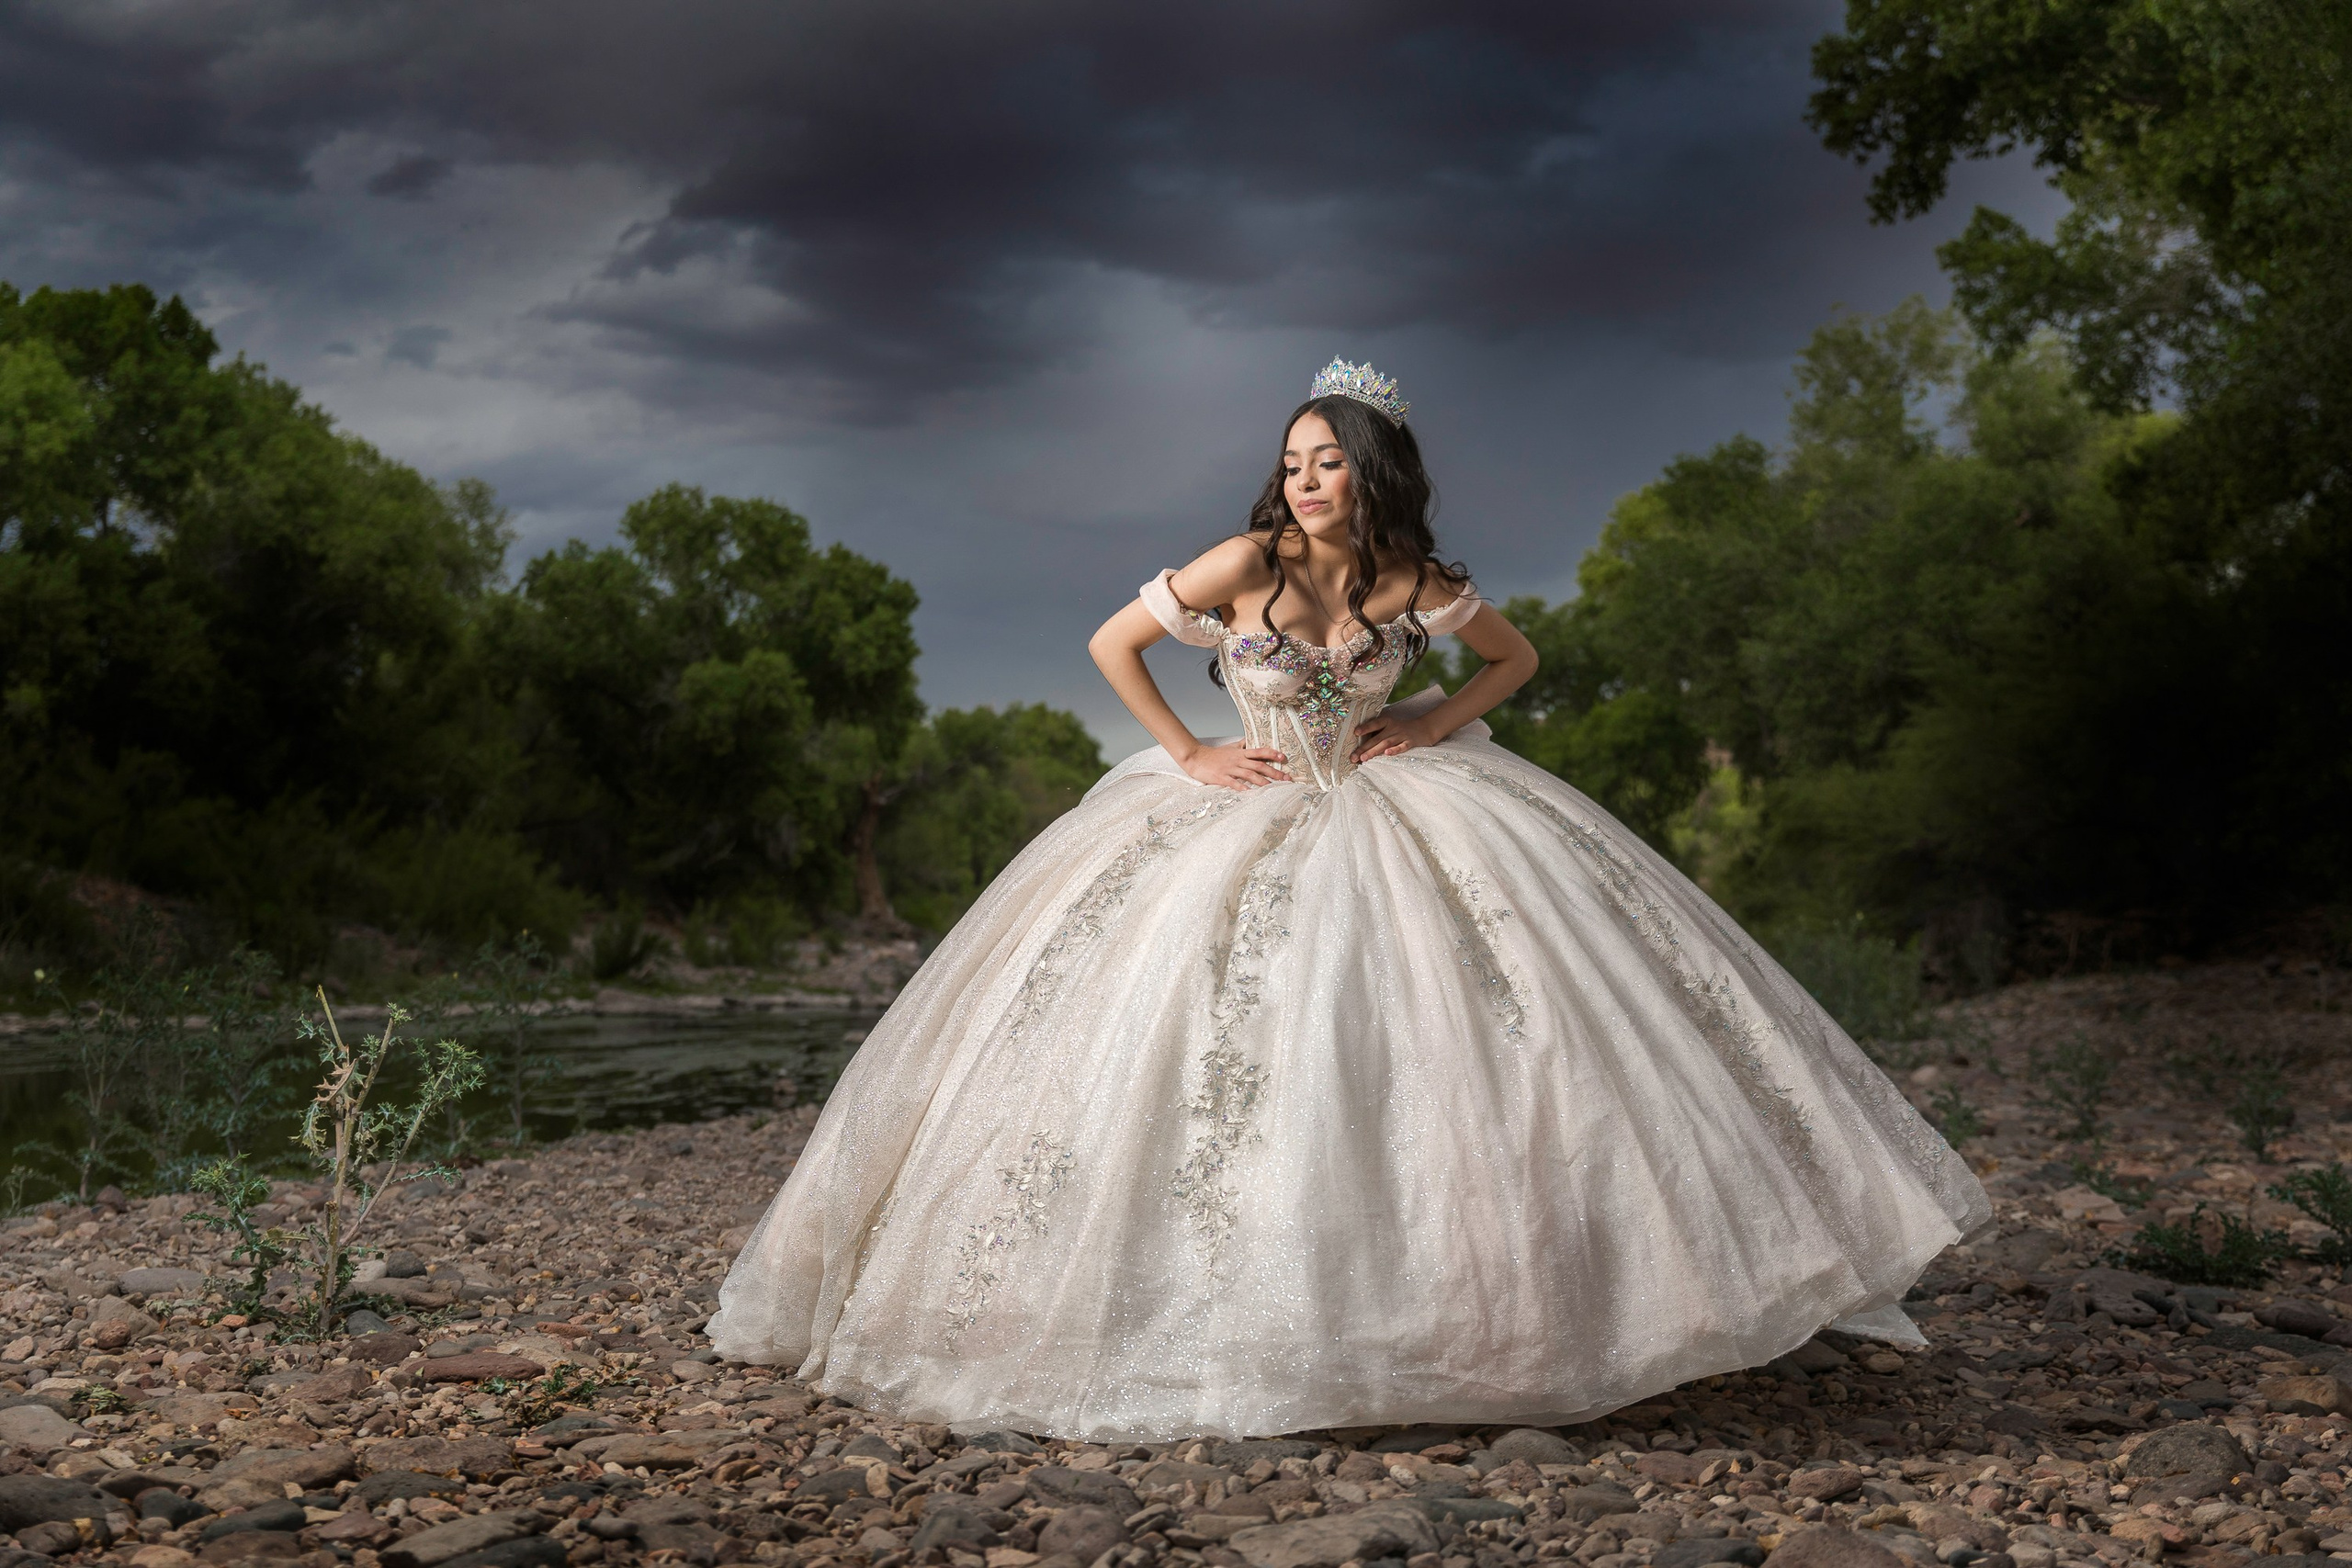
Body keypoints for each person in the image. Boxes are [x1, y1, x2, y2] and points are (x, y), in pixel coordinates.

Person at [709, 357, 1989, 1442]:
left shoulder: (1413, 580)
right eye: (1295, 461)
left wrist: (1434, 719)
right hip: (1241, 805)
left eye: (1328, 461)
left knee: (1460, 1035)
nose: (1307, 480)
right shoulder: (1244, 560)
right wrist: (1187, 753)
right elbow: (1114, 642)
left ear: (1374, 473)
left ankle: (1491, 1317)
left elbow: (1518, 658)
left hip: (1389, 804)